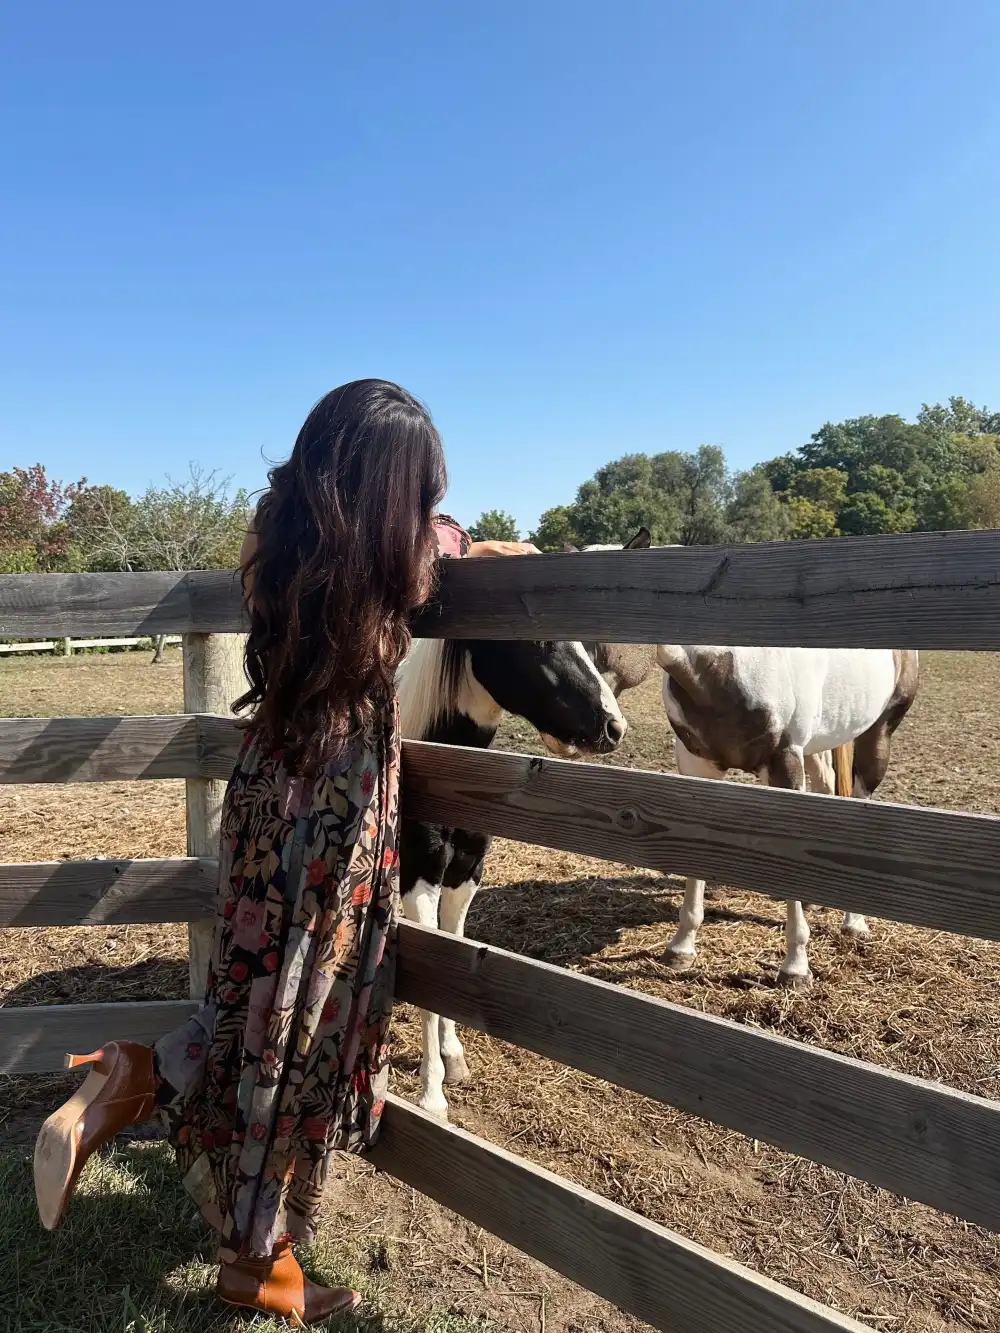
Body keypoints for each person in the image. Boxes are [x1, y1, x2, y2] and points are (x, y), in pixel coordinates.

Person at [32, 380, 537, 1326]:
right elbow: (447, 547)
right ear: (396, 491)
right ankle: (254, 1248)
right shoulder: (403, 561)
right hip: (342, 798)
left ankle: (138, 1082)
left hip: (268, 782)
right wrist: (447, 526)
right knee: (303, 1027)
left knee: (250, 993)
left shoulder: (272, 536)